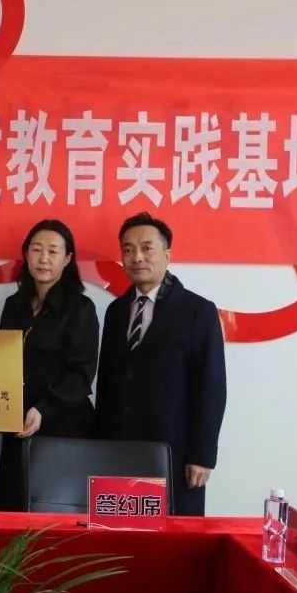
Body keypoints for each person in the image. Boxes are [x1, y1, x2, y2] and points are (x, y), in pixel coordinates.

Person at [93, 212, 226, 516]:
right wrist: (98, 448)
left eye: (147, 248)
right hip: (118, 452)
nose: (137, 257)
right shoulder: (115, 311)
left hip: (174, 455)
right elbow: (107, 384)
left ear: (167, 254)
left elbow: (212, 388)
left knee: (173, 539)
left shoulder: (198, 311)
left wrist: (202, 455)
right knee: (118, 534)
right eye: (128, 250)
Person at [0, 219, 99, 511]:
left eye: (53, 251)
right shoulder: (14, 305)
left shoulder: (80, 309)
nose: (43, 258)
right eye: (36, 249)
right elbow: (4, 362)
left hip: (63, 426)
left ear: (67, 259)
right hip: (17, 423)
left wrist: (43, 409)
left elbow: (81, 374)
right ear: (26, 254)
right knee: (12, 510)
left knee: (53, 513)